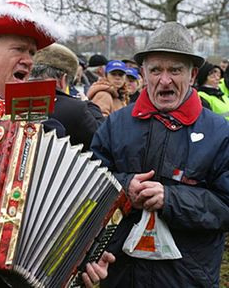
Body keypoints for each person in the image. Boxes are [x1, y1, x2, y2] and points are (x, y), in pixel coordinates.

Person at [0, 0, 114, 288]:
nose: (29, 60)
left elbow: (67, 204)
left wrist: (84, 260)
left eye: (32, 52)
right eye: (19, 49)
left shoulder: (43, 125)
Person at [90, 21, 229, 288]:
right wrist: (123, 187)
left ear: (192, 74)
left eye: (175, 70)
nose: (164, 80)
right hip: (120, 275)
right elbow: (89, 186)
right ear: (143, 73)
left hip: (188, 278)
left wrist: (171, 198)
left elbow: (225, 204)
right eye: (155, 70)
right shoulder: (115, 125)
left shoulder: (220, 132)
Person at [30, 42, 105, 151]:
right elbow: (101, 138)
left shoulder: (8, 101)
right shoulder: (76, 108)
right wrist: (88, 104)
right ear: (63, 80)